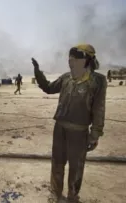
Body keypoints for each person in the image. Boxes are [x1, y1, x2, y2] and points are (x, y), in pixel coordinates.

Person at [31, 44, 107, 203]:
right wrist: (37, 72)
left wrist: (94, 135)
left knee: (76, 167)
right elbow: (48, 88)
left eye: (74, 60)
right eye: (69, 60)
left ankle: (73, 197)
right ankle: (55, 194)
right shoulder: (66, 77)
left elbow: (99, 109)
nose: (70, 62)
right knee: (57, 163)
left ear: (87, 60)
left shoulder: (98, 81)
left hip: (79, 133)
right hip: (59, 129)